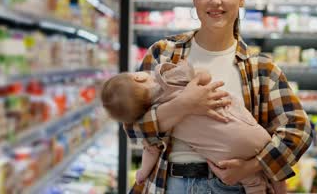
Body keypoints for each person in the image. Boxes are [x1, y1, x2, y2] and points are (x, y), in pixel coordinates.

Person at [124, 0, 313, 194]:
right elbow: (131, 125)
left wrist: (251, 167)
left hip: (234, 187)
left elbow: (300, 131)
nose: (215, 1)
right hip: (168, 184)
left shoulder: (261, 68)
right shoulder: (163, 54)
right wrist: (185, 104)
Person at [101, 60, 286, 193]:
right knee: (274, 170)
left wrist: (142, 173)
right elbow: (204, 76)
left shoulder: (153, 114)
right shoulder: (167, 76)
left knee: (253, 183)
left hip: (222, 157)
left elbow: (148, 146)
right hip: (247, 132)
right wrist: (185, 100)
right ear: (138, 77)